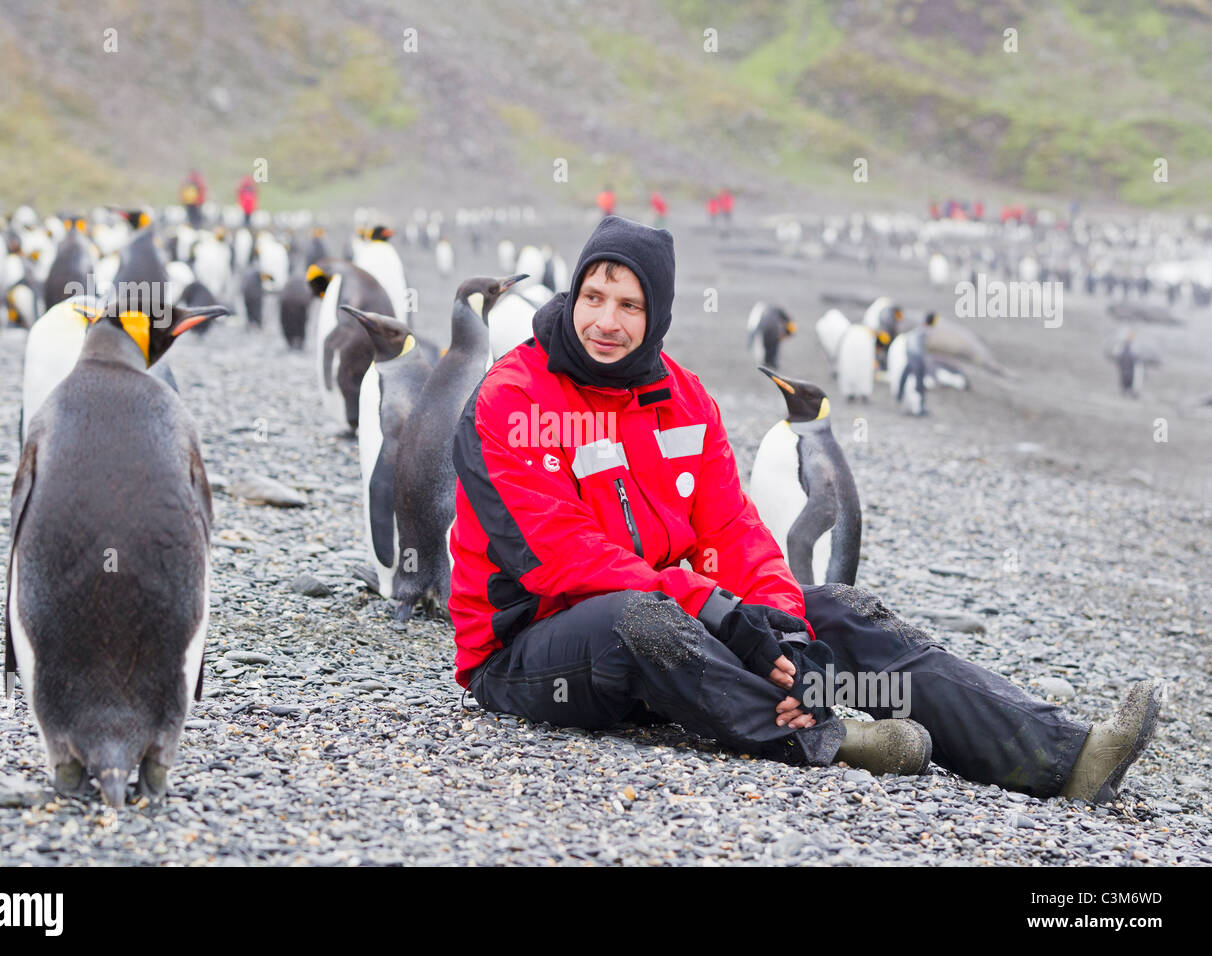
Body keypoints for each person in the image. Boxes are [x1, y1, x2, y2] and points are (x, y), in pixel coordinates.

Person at [448, 215, 1163, 801]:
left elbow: (732, 529)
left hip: (683, 630)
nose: (607, 320)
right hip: (533, 655)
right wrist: (722, 615)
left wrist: (782, 630)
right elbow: (560, 560)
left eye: (630, 304)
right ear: (572, 295)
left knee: (843, 611)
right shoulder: (514, 400)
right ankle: (823, 735)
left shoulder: (681, 396)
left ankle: (1063, 757)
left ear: (657, 313)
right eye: (594, 296)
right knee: (641, 619)